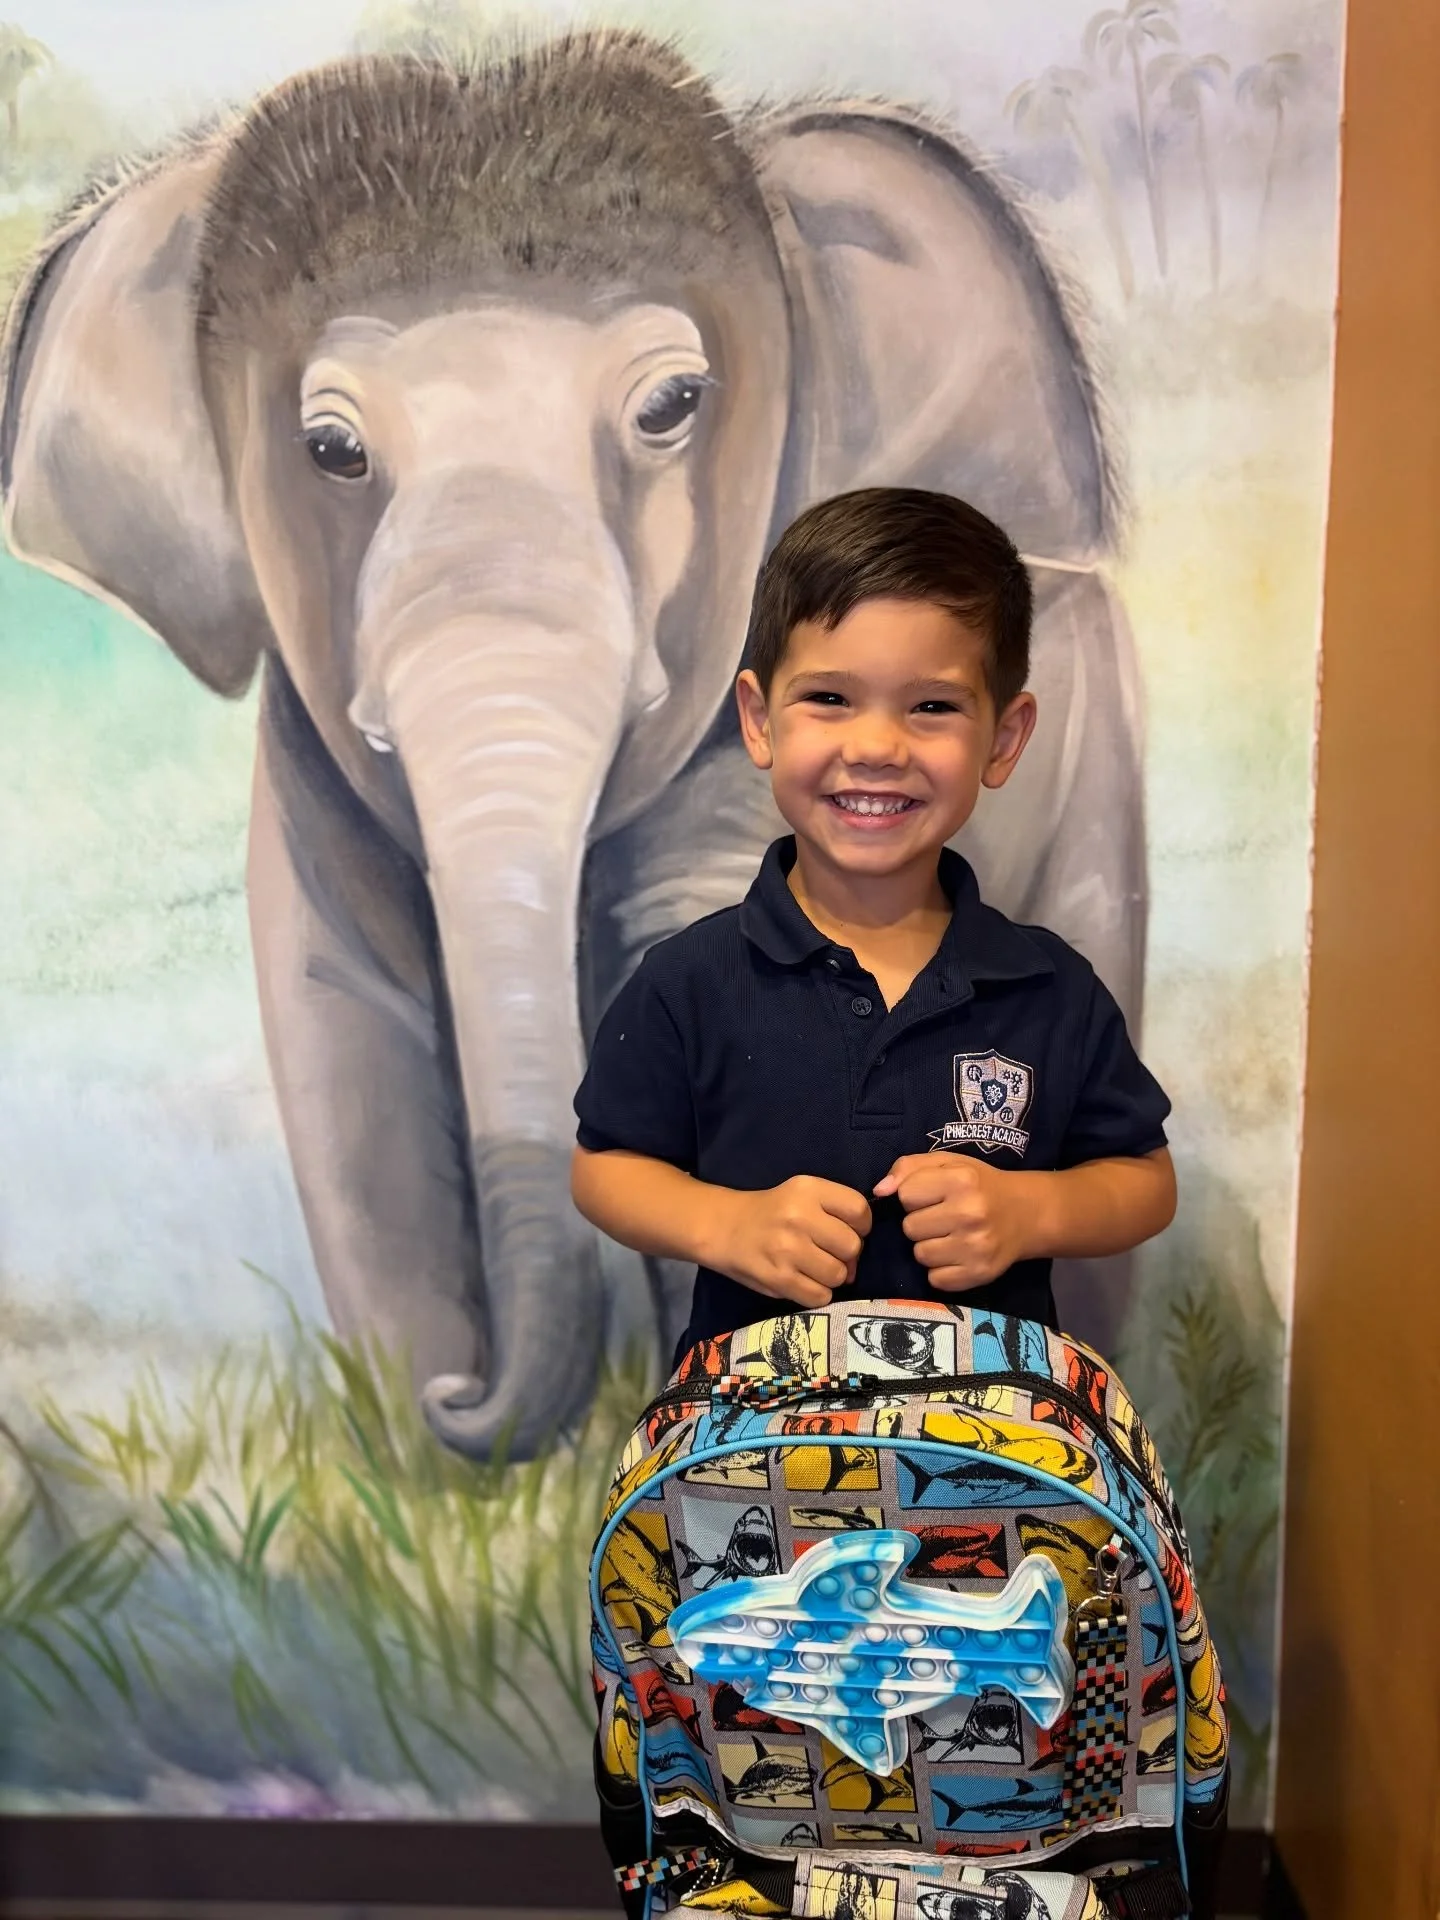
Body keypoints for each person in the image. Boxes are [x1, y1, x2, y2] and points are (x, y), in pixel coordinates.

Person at [571, 487, 1175, 1359]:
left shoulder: (1051, 988)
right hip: (753, 1464)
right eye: (829, 698)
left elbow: (1144, 1181)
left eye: (932, 706)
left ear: (1004, 739)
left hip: (989, 1464)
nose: (878, 746)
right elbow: (604, 1169)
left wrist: (1028, 1211)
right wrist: (726, 1224)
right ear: (758, 719)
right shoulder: (689, 981)